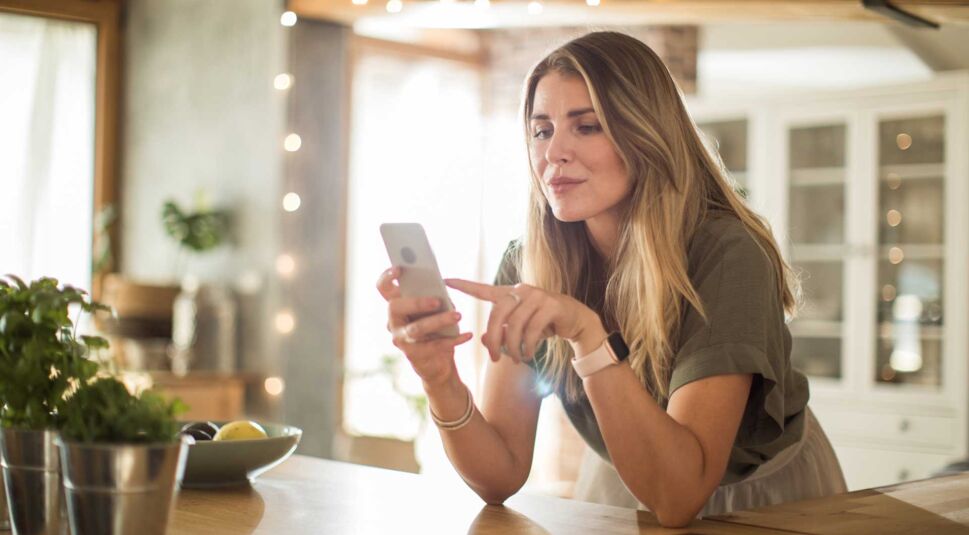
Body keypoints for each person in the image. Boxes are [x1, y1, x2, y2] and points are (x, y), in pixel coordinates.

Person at [376, 31, 846, 527]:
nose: (553, 151)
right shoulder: (529, 262)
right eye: (541, 130)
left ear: (646, 134)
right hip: (627, 477)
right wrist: (440, 378)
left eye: (588, 126)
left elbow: (680, 495)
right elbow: (500, 475)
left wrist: (588, 337)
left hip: (762, 497)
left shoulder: (725, 255)